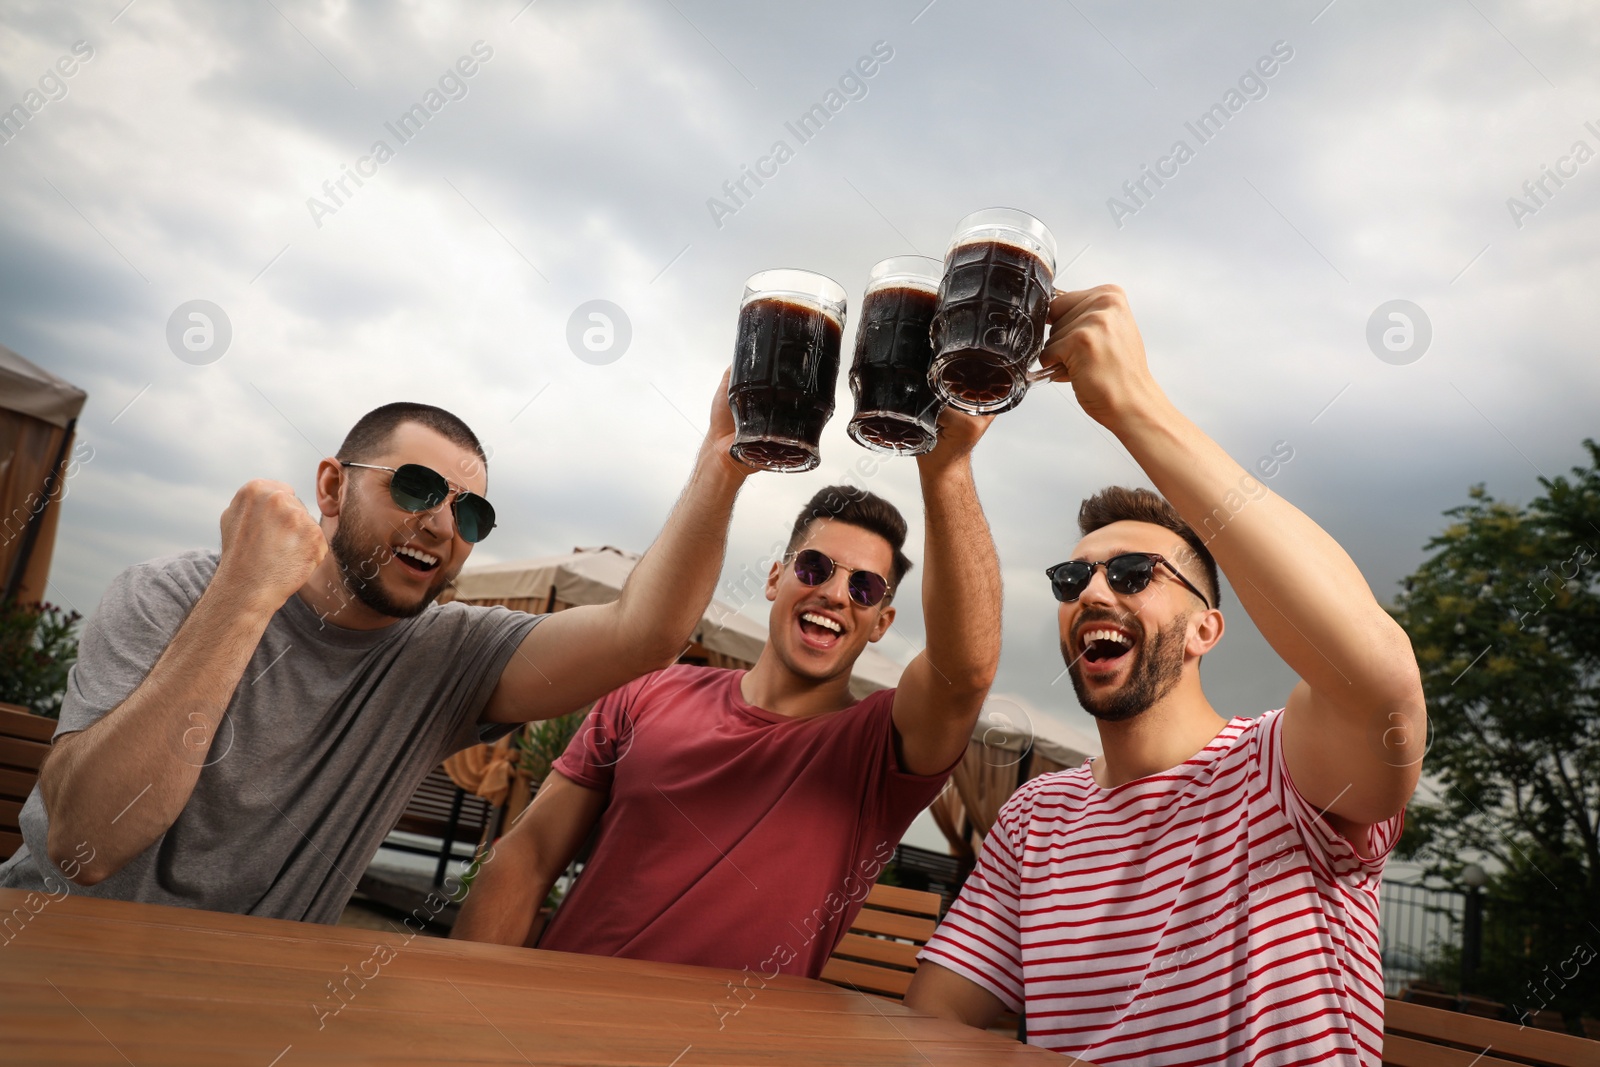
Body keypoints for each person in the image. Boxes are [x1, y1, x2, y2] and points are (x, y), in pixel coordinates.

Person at [0, 375, 755, 925]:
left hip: (240, 1011)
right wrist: (244, 596)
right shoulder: (170, 594)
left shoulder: (450, 657)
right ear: (331, 486)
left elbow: (645, 634)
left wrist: (723, 464)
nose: (441, 525)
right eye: (418, 487)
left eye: (473, 513)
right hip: (50, 966)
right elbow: (85, 846)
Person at [905, 285, 1425, 1067]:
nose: (1094, 592)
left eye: (1134, 571)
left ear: (1206, 629)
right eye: (1071, 579)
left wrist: (1135, 407)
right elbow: (935, 1016)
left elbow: (1380, 680)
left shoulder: (1282, 771)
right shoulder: (1036, 817)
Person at [451, 409, 1002, 985]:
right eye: (815, 567)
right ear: (774, 579)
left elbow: (963, 673)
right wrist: (465, 1004)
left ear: (881, 622)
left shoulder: (881, 746)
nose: (837, 593)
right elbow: (529, 854)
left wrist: (948, 467)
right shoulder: (646, 692)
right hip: (557, 1020)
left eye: (863, 587)